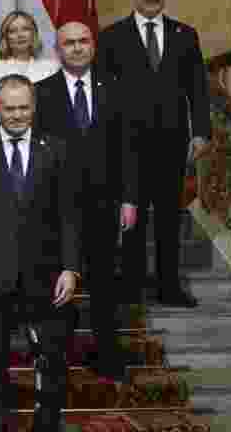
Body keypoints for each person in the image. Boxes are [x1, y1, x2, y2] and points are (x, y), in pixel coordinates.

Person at [0, 74, 81, 432]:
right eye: (9, 108)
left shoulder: (55, 147)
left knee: (53, 361)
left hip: (46, 277)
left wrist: (71, 268)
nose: (16, 115)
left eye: (23, 107)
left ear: (34, 106)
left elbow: (69, 214)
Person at [97, 0, 210, 307]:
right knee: (130, 219)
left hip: (172, 144)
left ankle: (169, 287)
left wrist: (201, 133)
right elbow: (102, 92)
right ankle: (130, 288)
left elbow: (198, 90)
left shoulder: (185, 35)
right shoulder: (112, 36)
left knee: (167, 219)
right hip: (126, 145)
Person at [35, 21, 140, 382]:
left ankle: (108, 356)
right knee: (59, 282)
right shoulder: (41, 92)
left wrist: (129, 198)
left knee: (104, 283)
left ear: (92, 46)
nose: (77, 48)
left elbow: (128, 149)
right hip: (56, 206)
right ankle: (56, 361)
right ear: (57, 50)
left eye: (83, 41)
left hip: (104, 203)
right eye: (69, 43)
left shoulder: (116, 88)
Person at [0, 11, 60, 126]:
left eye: (25, 29)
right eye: (13, 31)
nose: (20, 35)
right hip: (6, 131)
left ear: (33, 34)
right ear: (5, 37)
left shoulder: (52, 67)